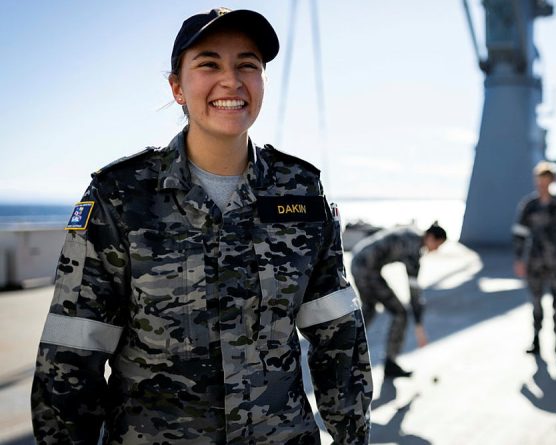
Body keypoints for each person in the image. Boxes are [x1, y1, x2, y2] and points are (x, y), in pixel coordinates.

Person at [30, 8, 372, 444]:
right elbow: (72, 351)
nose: (231, 80)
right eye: (209, 64)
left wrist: (353, 435)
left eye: (248, 65)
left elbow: (337, 336)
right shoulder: (120, 196)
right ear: (177, 87)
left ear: (262, 81)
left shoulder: (301, 192)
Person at [350, 223, 447, 378]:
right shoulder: (414, 248)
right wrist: (418, 322)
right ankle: (390, 363)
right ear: (430, 237)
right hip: (367, 268)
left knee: (369, 308)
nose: (436, 249)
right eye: (438, 244)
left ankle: (347, 352)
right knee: (400, 313)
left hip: (359, 261)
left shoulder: (413, 233)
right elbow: (414, 290)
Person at [512, 161, 556, 358]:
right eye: (540, 181)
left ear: (552, 182)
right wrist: (519, 259)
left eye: (546, 182)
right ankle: (536, 341)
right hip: (535, 262)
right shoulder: (529, 206)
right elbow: (519, 234)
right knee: (536, 303)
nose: (542, 185)